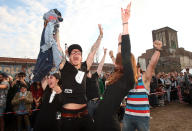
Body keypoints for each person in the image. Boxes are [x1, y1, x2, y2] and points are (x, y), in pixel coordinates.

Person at [94, 3, 135, 131]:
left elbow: (125, 54)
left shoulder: (128, 78)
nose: (115, 63)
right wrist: (119, 43)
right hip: (98, 121)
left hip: (109, 124)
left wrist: (125, 24)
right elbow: (120, 58)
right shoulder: (117, 75)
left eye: (119, 61)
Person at [57, 24, 103, 131]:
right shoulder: (65, 66)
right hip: (68, 118)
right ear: (69, 57)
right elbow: (58, 47)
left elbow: (93, 50)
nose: (76, 53)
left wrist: (100, 36)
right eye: (73, 52)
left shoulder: (84, 67)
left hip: (85, 115)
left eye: (78, 52)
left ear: (81, 56)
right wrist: (57, 29)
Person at [122, 15, 162, 131]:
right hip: (128, 116)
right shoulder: (129, 80)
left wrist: (158, 50)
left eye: (135, 67)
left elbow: (151, 65)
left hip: (142, 118)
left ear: (139, 69)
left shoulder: (144, 79)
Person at [86, 48, 107, 117]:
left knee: (99, 120)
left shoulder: (95, 75)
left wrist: (104, 54)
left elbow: (100, 65)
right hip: (90, 104)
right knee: (89, 122)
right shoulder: (84, 79)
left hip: (98, 102)